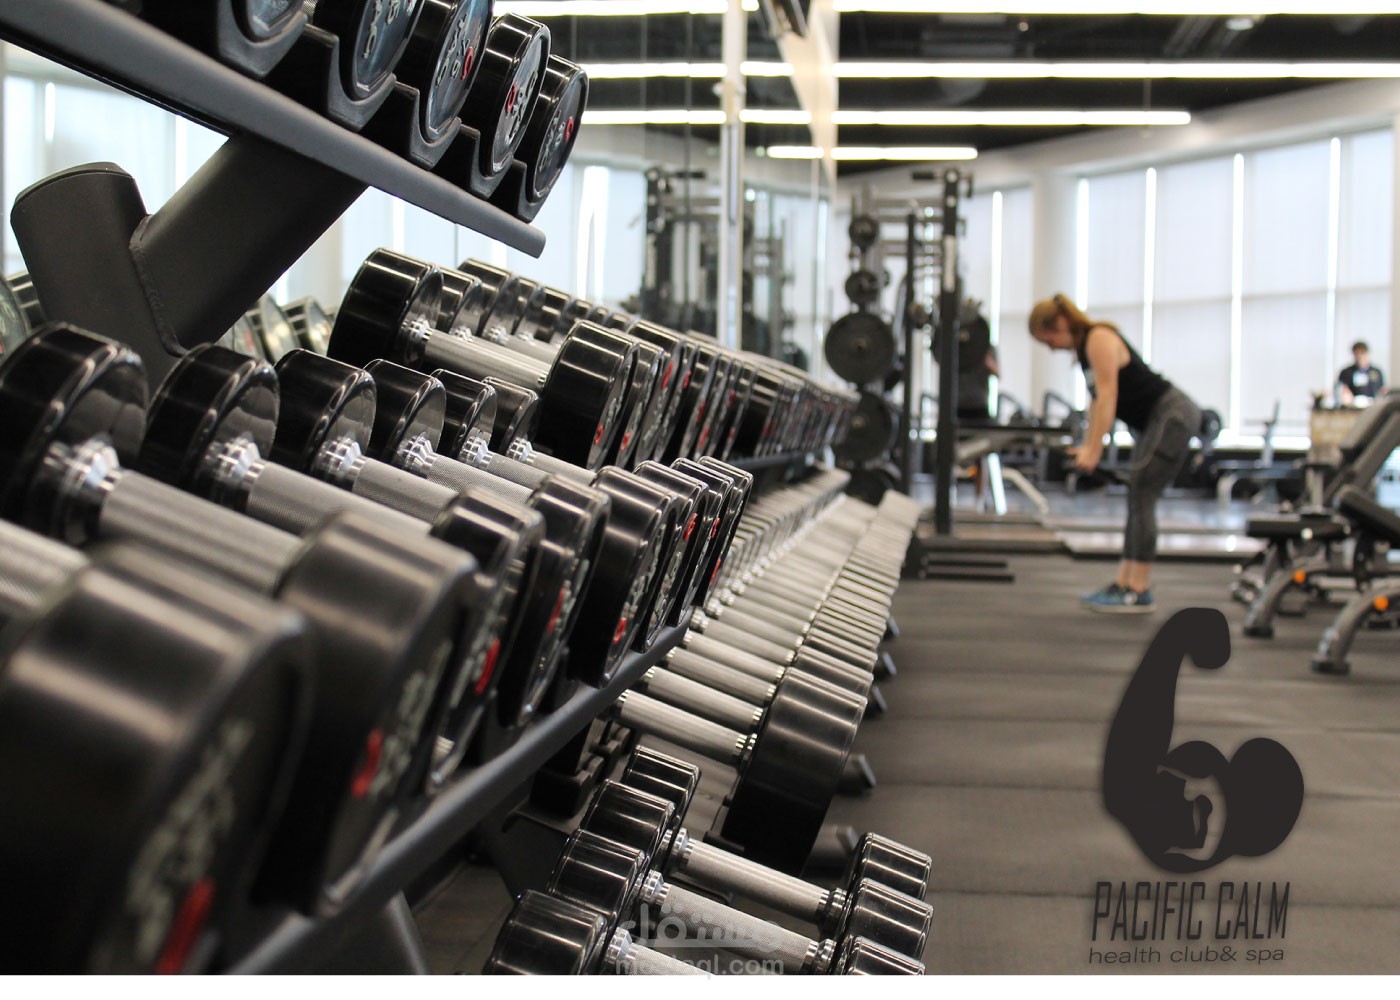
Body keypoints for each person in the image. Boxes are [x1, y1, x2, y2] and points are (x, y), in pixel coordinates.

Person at [1028, 293, 1203, 613]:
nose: (1051, 347)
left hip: (1172, 416)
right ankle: (1124, 582)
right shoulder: (1085, 351)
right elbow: (1097, 402)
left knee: (1143, 494)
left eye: (1048, 338)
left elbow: (1109, 396)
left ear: (1061, 323)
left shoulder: (1099, 337)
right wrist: (1088, 445)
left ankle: (1138, 588)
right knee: (1137, 494)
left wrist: (1095, 450)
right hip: (1154, 421)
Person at [1336, 340, 1385, 406]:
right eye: (1357, 354)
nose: (1360, 357)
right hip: (1352, 406)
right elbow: (1340, 389)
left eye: (1362, 353)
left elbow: (1382, 391)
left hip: (1372, 405)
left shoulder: (1376, 372)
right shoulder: (1346, 372)